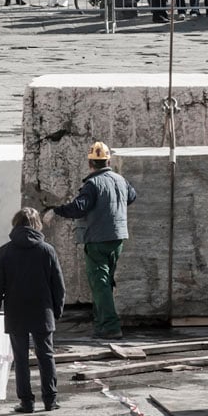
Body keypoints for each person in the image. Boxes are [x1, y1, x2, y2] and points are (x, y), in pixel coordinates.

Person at [50, 142, 136, 340]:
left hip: (98, 239)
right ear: (108, 161)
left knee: (100, 283)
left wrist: (56, 210)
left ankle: (110, 327)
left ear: (90, 163)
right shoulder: (120, 179)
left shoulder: (93, 184)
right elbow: (132, 196)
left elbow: (79, 207)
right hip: (117, 238)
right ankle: (100, 324)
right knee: (105, 282)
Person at [0, 207, 65, 414]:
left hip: (16, 311)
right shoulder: (47, 250)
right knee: (46, 355)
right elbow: (58, 285)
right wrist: (57, 310)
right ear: (37, 224)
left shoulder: (5, 251)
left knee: (20, 359)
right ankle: (50, 400)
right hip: (42, 311)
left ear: (15, 224)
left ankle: (26, 402)